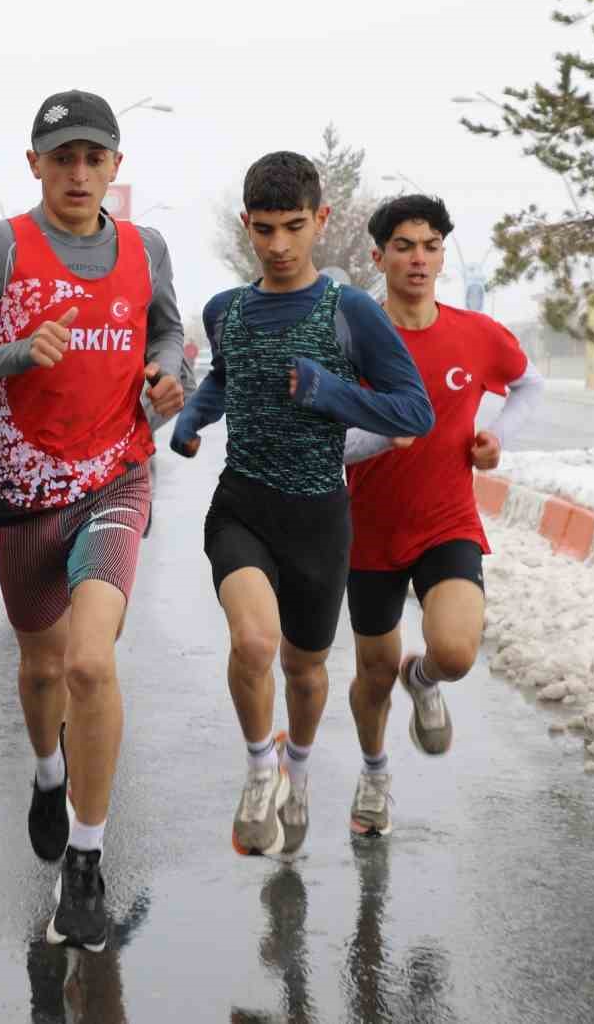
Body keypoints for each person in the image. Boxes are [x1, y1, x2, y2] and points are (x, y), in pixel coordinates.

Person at [0, 89, 185, 952]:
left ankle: (88, 864)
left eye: (94, 157)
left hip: (117, 478)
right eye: (62, 157)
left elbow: (167, 334)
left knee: (90, 663)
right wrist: (18, 355)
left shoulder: (146, 247)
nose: (78, 172)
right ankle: (46, 769)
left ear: (115, 166)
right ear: (34, 163)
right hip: (24, 490)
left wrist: (166, 376)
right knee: (41, 670)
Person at [169, 151, 433, 858]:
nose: (279, 245)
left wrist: (328, 391)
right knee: (254, 643)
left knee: (304, 671)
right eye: (264, 229)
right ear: (246, 225)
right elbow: (226, 377)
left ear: (321, 220)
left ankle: (299, 770)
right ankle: (261, 769)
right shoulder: (226, 310)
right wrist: (194, 419)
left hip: (319, 518)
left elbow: (415, 411)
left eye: (293, 226)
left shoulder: (349, 312)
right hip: (243, 507)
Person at [343, 194, 545, 837]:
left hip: (446, 521)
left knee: (456, 652)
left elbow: (529, 384)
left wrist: (497, 439)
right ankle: (374, 775)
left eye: (430, 247)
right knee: (373, 674)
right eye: (404, 246)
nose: (419, 259)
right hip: (367, 532)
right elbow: (322, 436)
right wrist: (381, 436)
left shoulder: (476, 334)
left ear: (440, 258)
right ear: (379, 257)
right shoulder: (349, 338)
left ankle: (424, 677)